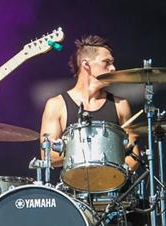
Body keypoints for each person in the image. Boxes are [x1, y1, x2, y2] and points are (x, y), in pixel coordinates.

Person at [40, 34, 139, 170]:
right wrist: (96, 154)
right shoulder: (56, 105)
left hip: (114, 187)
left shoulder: (120, 105)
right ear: (86, 64)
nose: (113, 68)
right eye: (107, 62)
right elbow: (47, 156)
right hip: (73, 189)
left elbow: (133, 157)